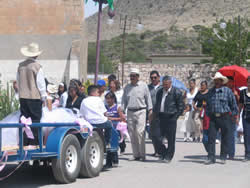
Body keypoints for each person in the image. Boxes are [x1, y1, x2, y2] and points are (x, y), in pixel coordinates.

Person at [205, 72, 238, 165]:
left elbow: (233, 105)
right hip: (213, 117)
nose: (216, 82)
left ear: (222, 81)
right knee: (211, 138)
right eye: (215, 80)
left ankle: (223, 156)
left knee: (225, 137)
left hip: (225, 117)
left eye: (218, 80)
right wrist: (208, 114)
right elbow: (207, 105)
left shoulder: (227, 91)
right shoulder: (210, 92)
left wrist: (233, 116)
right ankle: (211, 157)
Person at [17, 43, 46, 146]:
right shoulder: (37, 67)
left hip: (23, 97)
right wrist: (44, 97)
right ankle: (35, 144)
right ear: (36, 55)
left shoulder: (21, 66)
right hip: (34, 97)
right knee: (35, 121)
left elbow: (18, 81)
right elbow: (40, 84)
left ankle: (24, 143)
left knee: (24, 120)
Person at [122, 68, 153, 161]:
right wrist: (122, 112)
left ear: (138, 76)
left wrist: (150, 110)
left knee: (140, 132)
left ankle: (142, 155)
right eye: (131, 76)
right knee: (132, 133)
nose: (132, 77)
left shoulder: (143, 86)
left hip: (141, 111)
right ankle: (135, 155)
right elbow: (124, 101)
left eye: (134, 75)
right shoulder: (127, 87)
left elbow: (148, 98)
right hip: (130, 111)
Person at [153, 76, 184, 163]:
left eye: (166, 84)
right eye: (164, 85)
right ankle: (163, 152)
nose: (165, 86)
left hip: (171, 117)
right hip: (160, 117)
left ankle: (168, 156)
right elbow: (157, 104)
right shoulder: (159, 92)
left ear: (170, 83)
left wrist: (175, 117)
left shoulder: (176, 92)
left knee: (170, 139)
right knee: (156, 136)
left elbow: (181, 107)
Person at [104, 92, 126, 167]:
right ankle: (108, 162)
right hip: (107, 128)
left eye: (109, 99)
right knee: (108, 145)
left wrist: (112, 118)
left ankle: (115, 160)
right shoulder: (105, 107)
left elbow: (122, 118)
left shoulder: (117, 107)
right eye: (106, 99)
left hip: (116, 128)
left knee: (114, 144)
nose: (108, 100)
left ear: (113, 99)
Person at [148, 70, 163, 157]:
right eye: (151, 78)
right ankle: (156, 150)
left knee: (159, 134)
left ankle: (161, 150)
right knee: (152, 134)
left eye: (155, 77)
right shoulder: (148, 88)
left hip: (161, 113)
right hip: (151, 112)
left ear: (158, 78)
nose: (153, 79)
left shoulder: (162, 87)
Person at [226, 77, 240, 160]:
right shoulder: (224, 90)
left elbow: (240, 103)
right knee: (225, 135)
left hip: (233, 115)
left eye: (231, 82)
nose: (230, 83)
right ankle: (225, 151)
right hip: (224, 115)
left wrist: (236, 95)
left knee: (232, 135)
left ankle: (231, 153)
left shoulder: (237, 91)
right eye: (228, 82)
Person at [239, 76, 250, 162]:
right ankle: (247, 154)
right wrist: (238, 115)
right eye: (249, 82)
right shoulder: (242, 92)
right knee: (246, 135)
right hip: (246, 117)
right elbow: (240, 105)